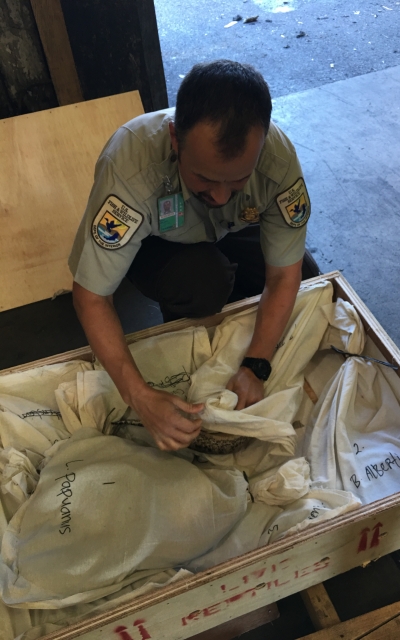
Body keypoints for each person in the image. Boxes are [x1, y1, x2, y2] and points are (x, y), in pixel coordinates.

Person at [69, 60, 319, 452]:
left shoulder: (277, 158)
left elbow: (283, 277)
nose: (220, 196)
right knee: (203, 283)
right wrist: (140, 396)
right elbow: (91, 297)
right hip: (157, 243)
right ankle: (188, 335)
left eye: (237, 179)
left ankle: (227, 329)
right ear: (174, 139)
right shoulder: (131, 165)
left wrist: (256, 364)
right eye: (204, 177)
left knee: (307, 275)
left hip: (233, 229)